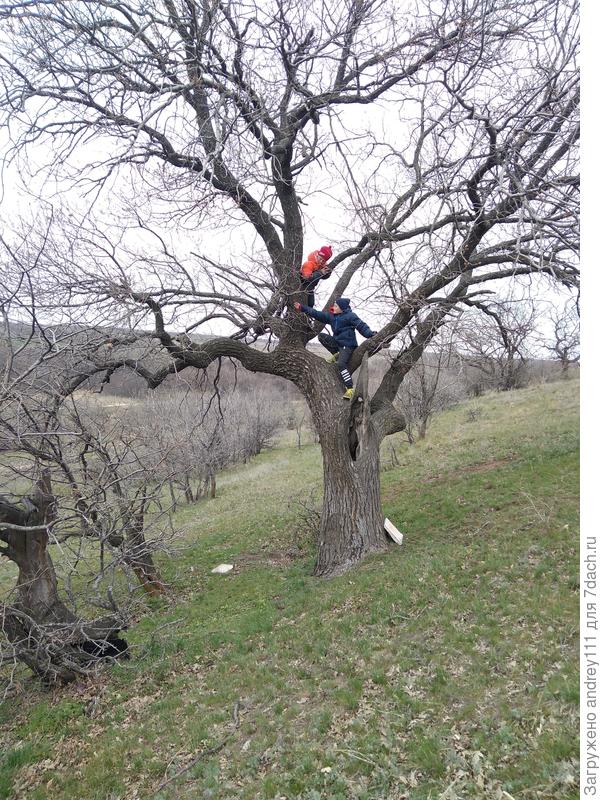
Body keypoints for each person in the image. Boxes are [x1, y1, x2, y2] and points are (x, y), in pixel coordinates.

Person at [294, 297, 376, 399]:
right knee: (322, 337)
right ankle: (336, 353)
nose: (334, 307)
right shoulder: (332, 316)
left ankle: (350, 389)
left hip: (348, 345)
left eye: (336, 306)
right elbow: (317, 314)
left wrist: (370, 334)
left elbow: (362, 326)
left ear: (342, 308)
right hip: (337, 344)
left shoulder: (350, 316)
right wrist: (302, 307)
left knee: (341, 364)